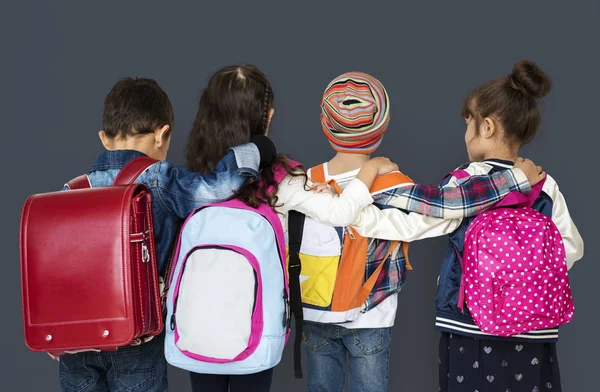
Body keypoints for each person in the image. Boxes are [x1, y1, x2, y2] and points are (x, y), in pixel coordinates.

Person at [183, 65, 544, 392]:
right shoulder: (391, 183)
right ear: (382, 128)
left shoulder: (303, 181)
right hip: (372, 315)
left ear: (325, 125)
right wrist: (511, 180)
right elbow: (448, 212)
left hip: (314, 313)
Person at [56, 77, 276, 392]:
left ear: (105, 138)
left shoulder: (71, 191)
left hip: (77, 343)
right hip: (137, 339)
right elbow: (218, 187)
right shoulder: (159, 180)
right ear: (163, 134)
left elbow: (59, 270)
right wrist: (254, 150)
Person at [432, 60, 583, 392]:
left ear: (486, 127)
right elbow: (571, 248)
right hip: (532, 322)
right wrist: (523, 278)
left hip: (469, 322)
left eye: (467, 122)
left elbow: (431, 221)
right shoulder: (545, 184)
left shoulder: (465, 181)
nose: (466, 132)